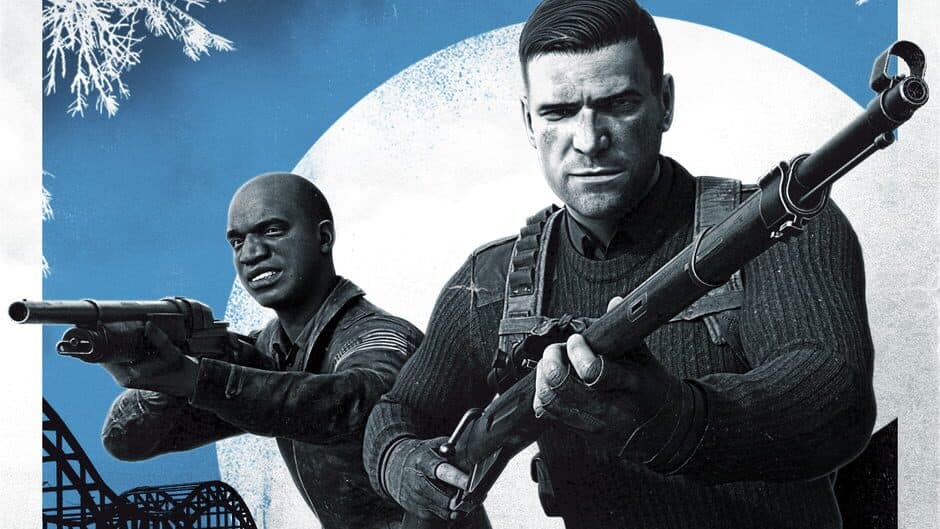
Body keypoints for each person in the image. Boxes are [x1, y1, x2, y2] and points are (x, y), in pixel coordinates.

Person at [363, 1, 876, 528]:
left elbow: (834, 399)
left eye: (619, 104)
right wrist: (403, 464)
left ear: (665, 103)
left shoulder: (775, 223)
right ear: (528, 121)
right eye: (558, 112)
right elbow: (397, 413)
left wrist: (678, 419)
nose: (589, 141)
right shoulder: (492, 284)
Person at [101, 172, 423, 529]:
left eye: (272, 230)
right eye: (237, 241)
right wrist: (159, 386)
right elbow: (125, 442)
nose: (251, 253)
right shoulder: (271, 350)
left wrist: (197, 379)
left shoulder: (380, 334)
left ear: (323, 237)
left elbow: (359, 402)